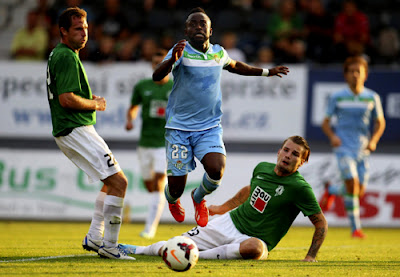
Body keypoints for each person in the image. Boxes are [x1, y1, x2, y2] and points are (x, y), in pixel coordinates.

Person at [152, 7, 289, 228]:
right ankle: (173, 200)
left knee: (216, 170)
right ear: (186, 30)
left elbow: (236, 66)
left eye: (202, 24)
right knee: (176, 187)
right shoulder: (181, 51)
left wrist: (266, 72)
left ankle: (198, 198)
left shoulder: (218, 53)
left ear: (210, 30)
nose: (198, 26)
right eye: (193, 24)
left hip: (208, 127)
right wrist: (171, 61)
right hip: (179, 128)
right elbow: (156, 75)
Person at [120, 136, 327, 262]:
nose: (288, 155)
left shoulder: (300, 188)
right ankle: (135, 249)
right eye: (286, 150)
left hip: (255, 240)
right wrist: (221, 208)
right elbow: (250, 190)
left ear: (303, 161)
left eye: (295, 154)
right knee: (177, 244)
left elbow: (321, 223)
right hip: (229, 223)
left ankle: (197, 256)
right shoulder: (262, 169)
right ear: (279, 151)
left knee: (254, 249)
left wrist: (311, 256)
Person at [46, 7, 134, 260]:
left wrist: (87, 99)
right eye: (77, 28)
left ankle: (96, 237)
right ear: (63, 31)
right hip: (75, 128)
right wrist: (95, 104)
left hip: (70, 129)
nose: (84, 33)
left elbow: (70, 96)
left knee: (110, 183)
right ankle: (110, 246)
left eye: (85, 28)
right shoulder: (65, 56)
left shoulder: (61, 54)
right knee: (120, 182)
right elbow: (66, 99)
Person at [320, 56, 386, 239]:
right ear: (346, 75)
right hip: (343, 148)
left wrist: (373, 141)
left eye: (359, 71)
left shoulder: (372, 97)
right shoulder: (337, 97)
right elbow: (325, 122)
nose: (355, 75)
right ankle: (355, 229)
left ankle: (331, 190)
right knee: (352, 183)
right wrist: (333, 137)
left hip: (363, 149)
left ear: (365, 75)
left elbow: (380, 122)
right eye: (351, 71)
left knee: (359, 191)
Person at [125, 49, 173, 239]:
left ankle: (149, 228)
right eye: (155, 62)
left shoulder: (175, 87)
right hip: (145, 142)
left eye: (162, 62)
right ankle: (159, 201)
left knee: (159, 182)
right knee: (149, 185)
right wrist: (130, 119)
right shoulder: (142, 86)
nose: (158, 65)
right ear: (152, 65)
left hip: (165, 142)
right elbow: (133, 107)